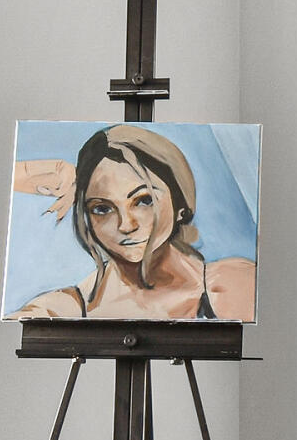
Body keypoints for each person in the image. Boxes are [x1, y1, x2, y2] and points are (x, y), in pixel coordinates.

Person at [14, 125, 255, 321]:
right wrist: (36, 172)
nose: (125, 225)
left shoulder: (228, 285)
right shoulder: (67, 308)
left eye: (143, 200)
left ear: (180, 203)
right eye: (102, 208)